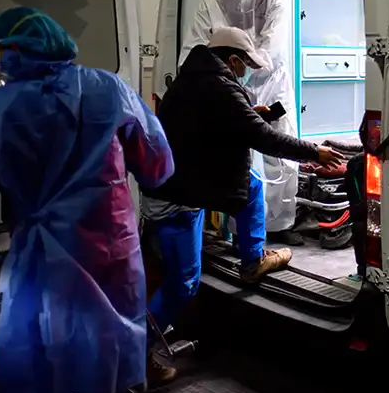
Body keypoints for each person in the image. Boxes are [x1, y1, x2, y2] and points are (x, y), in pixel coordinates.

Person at [0, 7, 176, 393]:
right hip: (109, 250)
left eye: (1, 51)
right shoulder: (108, 89)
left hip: (41, 259)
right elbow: (157, 164)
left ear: (18, 51)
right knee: (107, 354)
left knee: (41, 360)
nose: (0, 60)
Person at [143, 26, 342, 338]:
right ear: (232, 60)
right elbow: (265, 139)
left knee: (251, 184)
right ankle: (137, 350)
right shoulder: (222, 88)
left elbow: (209, 121)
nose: (245, 71)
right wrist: (315, 152)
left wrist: (247, 113)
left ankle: (253, 260)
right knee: (183, 283)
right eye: (245, 65)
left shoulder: (189, 79)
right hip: (175, 199)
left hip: (183, 181)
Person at [181, 0, 304, 245]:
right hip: (228, 82)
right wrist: (224, 81)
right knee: (239, 159)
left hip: (271, 80)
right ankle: (242, 231)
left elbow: (273, 43)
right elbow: (195, 47)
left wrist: (247, 69)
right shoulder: (211, 1)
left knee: (281, 151)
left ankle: (282, 224)